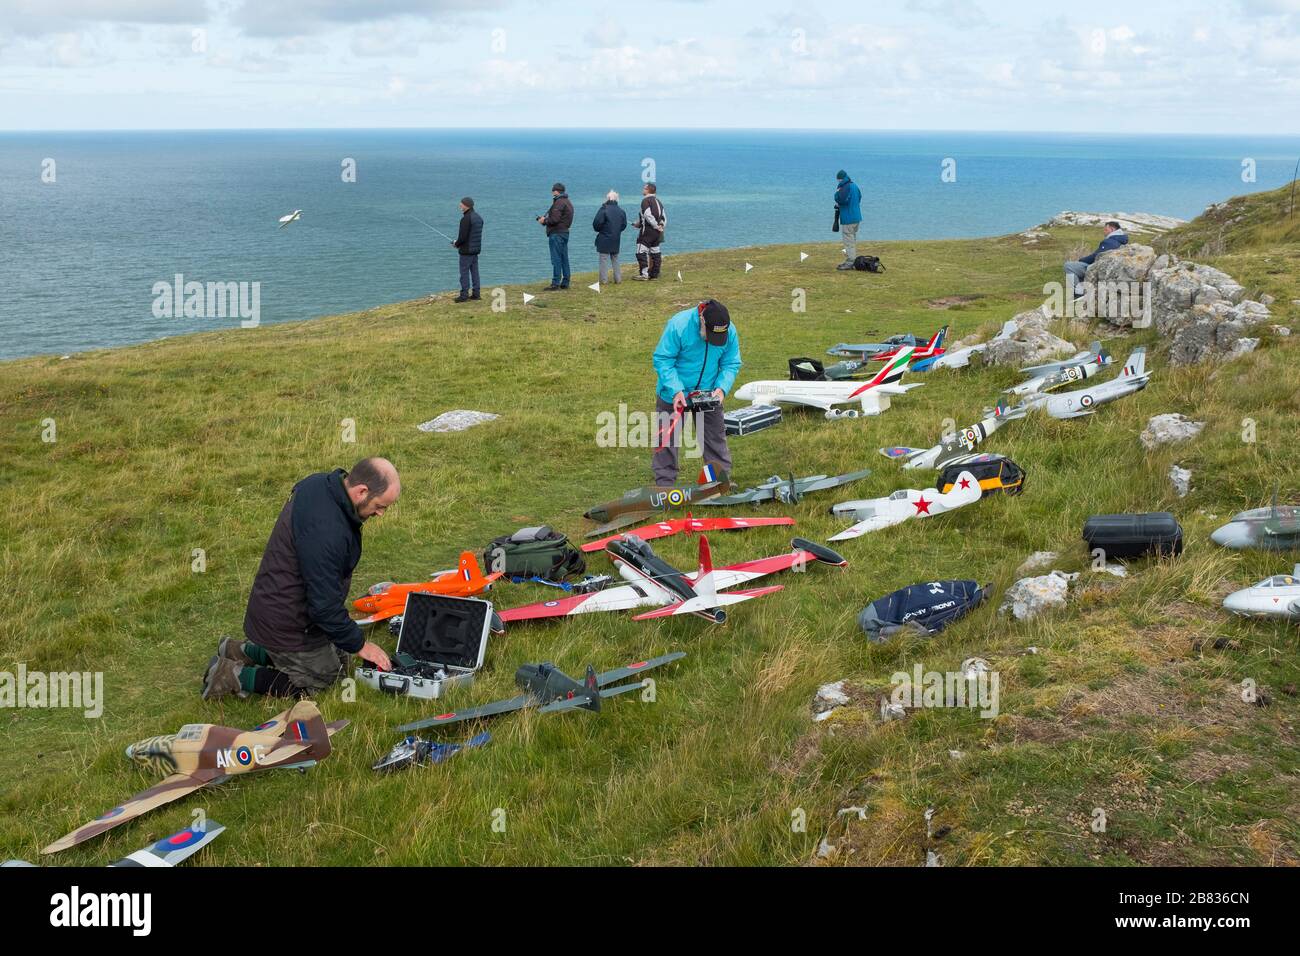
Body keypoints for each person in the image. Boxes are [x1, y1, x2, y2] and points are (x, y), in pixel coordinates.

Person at [201, 458, 399, 700]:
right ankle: (230, 674)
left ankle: (242, 650)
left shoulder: (318, 484)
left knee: (343, 660)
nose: (380, 513)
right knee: (328, 679)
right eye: (381, 506)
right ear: (362, 491)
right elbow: (324, 607)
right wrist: (361, 645)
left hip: (277, 607)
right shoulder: (328, 532)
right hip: (288, 622)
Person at [651, 299, 741, 485]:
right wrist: (676, 390)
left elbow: (731, 363)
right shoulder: (679, 325)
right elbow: (663, 359)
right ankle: (664, 486)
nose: (711, 340)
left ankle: (718, 481)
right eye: (708, 335)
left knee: (715, 438)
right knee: (667, 440)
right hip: (673, 394)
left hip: (708, 394)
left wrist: (722, 389)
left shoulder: (729, 330)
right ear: (702, 320)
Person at [1065, 221, 1128, 297]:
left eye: (1105, 230)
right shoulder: (1121, 240)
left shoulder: (1110, 242)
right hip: (1111, 267)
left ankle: (1079, 292)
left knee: (1068, 266)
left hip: (1100, 268)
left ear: (1112, 229)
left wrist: (1081, 260)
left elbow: (1097, 256)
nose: (1104, 232)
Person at [537, 182, 574, 290]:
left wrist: (544, 220)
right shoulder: (568, 202)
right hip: (564, 232)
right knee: (564, 258)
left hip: (557, 234)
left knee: (556, 258)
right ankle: (565, 281)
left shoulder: (559, 203)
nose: (552, 193)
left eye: (553, 191)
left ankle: (555, 283)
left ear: (556, 191)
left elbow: (554, 219)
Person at [592, 190, 628, 284]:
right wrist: (616, 231)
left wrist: (602, 230)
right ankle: (618, 279)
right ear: (616, 199)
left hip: (604, 237)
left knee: (603, 259)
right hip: (616, 237)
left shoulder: (604, 209)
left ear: (608, 199)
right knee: (615, 258)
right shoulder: (621, 211)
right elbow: (624, 225)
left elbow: (596, 224)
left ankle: (604, 280)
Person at [452, 197, 483, 303]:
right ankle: (476, 294)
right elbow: (472, 236)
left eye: (461, 204)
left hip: (466, 251)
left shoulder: (466, 219)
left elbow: (463, 237)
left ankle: (464, 295)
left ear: (467, 205)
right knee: (475, 272)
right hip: (475, 250)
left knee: (464, 273)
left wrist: (456, 244)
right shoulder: (478, 218)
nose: (460, 206)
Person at [633, 183, 667, 280]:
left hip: (647, 231)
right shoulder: (659, 202)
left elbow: (648, 216)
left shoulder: (645, 201)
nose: (643, 189)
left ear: (648, 190)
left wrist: (655, 226)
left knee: (640, 251)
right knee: (655, 252)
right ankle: (654, 274)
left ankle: (644, 274)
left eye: (644, 188)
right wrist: (660, 226)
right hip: (657, 233)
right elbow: (664, 217)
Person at [834, 170, 863, 270]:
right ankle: (852, 260)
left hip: (848, 218)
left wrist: (836, 194)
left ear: (840, 179)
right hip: (856, 217)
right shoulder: (854, 185)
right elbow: (859, 197)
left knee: (848, 240)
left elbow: (841, 199)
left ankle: (850, 262)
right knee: (852, 239)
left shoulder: (844, 187)